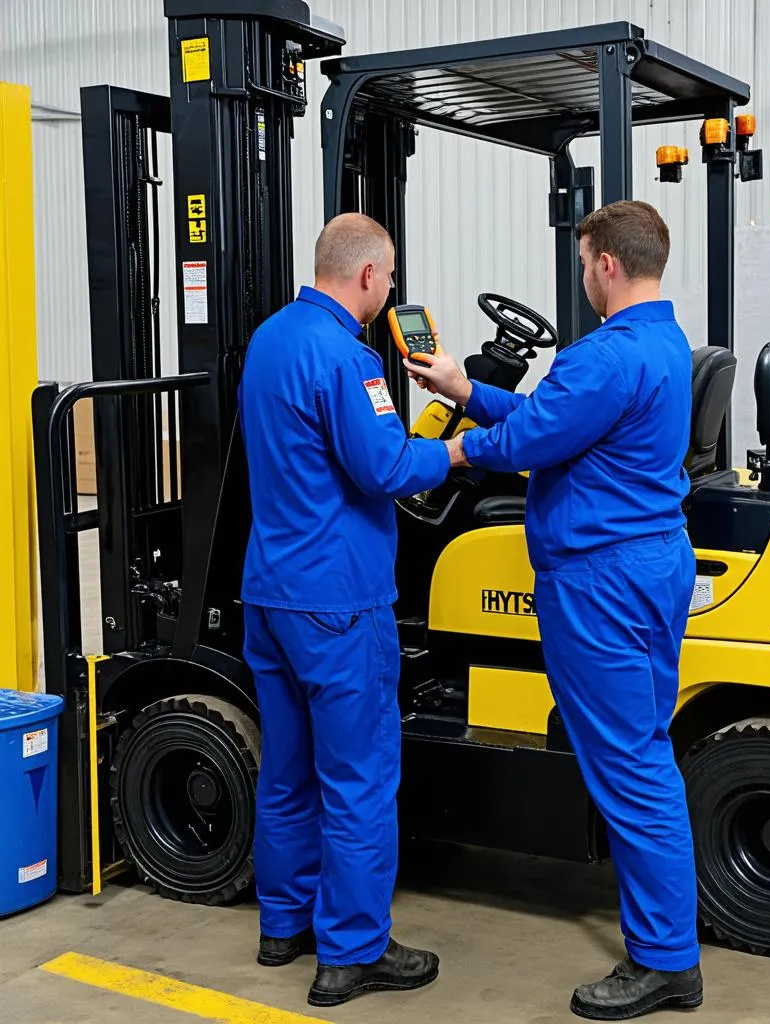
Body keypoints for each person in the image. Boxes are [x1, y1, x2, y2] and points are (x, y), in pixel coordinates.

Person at [406, 200, 702, 1021]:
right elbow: (555, 421)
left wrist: (449, 446)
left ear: (605, 261)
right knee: (642, 751)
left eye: (582, 263)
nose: (582, 276)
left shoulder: (604, 356)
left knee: (633, 768)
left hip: (600, 579)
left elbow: (531, 442)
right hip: (647, 563)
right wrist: (467, 390)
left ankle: (667, 961)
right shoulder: (661, 342)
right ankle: (669, 946)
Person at [237, 212, 462, 1008]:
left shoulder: (269, 339)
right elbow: (386, 468)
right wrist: (459, 448)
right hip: (339, 602)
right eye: (390, 276)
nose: (392, 289)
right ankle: (354, 951)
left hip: (270, 596)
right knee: (360, 778)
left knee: (288, 770)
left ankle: (284, 925)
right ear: (367, 276)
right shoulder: (351, 358)